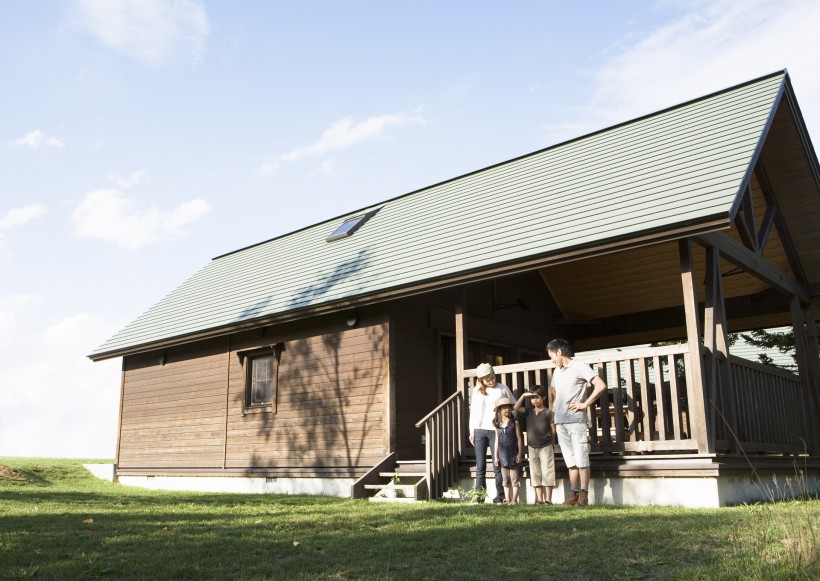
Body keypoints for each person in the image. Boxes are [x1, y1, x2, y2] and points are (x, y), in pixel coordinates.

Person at [547, 339, 607, 507]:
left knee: (581, 458)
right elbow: (554, 391)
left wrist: (584, 404)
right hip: (561, 422)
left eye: (551, 355)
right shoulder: (557, 371)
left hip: (576, 420)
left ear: (559, 352)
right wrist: (554, 407)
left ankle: (584, 495)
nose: (551, 359)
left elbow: (600, 385)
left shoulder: (579, 366)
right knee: (570, 460)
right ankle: (573, 495)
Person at [468, 362, 514, 503]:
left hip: (496, 430)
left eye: (493, 377)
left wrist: (507, 423)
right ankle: (479, 497)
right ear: (481, 379)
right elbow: (474, 412)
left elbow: (513, 404)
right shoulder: (476, 391)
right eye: (487, 379)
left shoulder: (502, 388)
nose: (491, 381)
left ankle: (500, 497)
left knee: (497, 464)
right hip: (479, 430)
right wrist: (472, 431)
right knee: (480, 465)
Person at [514, 385, 556, 505]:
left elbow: (553, 429)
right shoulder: (528, 411)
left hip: (546, 446)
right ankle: (539, 499)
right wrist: (523, 395)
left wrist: (552, 442)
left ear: (543, 397)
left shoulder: (548, 412)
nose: (534, 400)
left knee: (548, 471)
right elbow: (516, 408)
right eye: (532, 398)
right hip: (532, 447)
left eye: (537, 397)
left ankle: (548, 499)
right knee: (535, 472)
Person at [493, 397, 523, 504]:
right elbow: (496, 440)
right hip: (502, 455)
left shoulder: (514, 423)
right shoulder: (497, 424)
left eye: (509, 407)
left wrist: (520, 453)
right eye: (504, 408)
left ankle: (514, 500)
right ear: (499, 410)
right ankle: (507, 498)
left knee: (514, 478)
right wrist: (496, 456)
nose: (507, 409)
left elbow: (519, 438)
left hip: (513, 454)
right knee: (505, 479)